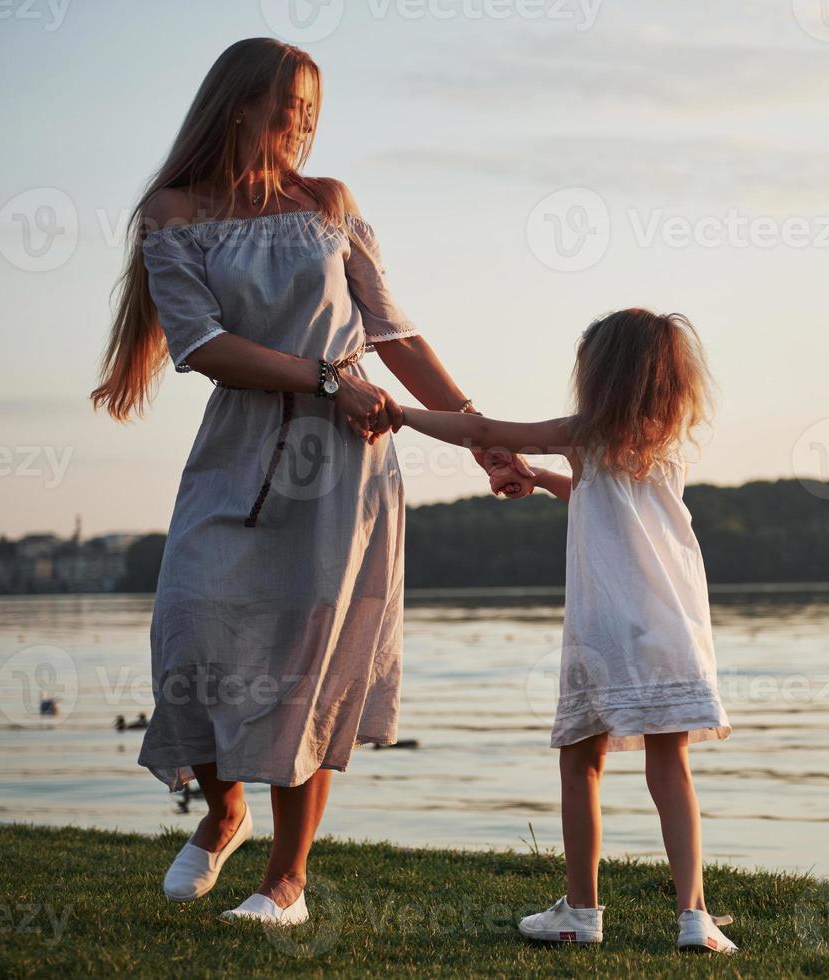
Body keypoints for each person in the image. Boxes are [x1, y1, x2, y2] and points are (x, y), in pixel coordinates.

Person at [89, 37, 531, 927]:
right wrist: (328, 378)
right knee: (189, 634)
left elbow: (394, 334)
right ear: (238, 104)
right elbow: (202, 345)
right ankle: (223, 810)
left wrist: (477, 435)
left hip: (344, 466)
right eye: (288, 105)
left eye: (311, 110)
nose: (301, 124)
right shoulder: (173, 212)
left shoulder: (329, 205)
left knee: (312, 665)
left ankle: (284, 880)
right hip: (241, 452)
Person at [391, 308, 737, 953]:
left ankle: (582, 910)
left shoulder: (583, 432)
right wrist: (540, 477)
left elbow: (486, 428)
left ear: (599, 374)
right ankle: (695, 919)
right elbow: (601, 500)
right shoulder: (665, 441)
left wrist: (400, 412)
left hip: (605, 621)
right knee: (673, 764)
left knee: (582, 762)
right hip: (673, 619)